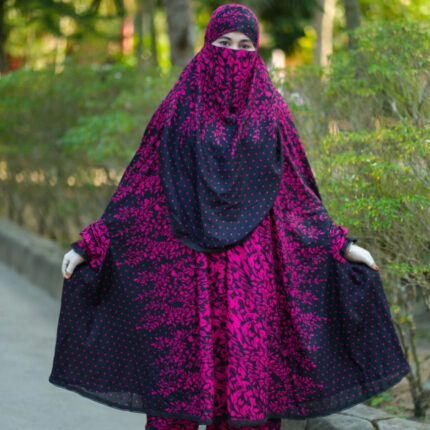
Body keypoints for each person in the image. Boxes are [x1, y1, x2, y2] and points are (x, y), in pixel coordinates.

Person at [49, 4, 410, 430]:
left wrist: (340, 245)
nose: (234, 54)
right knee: (176, 396)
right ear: (207, 46)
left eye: (245, 46)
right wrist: (93, 243)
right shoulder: (179, 109)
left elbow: (298, 193)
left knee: (247, 400)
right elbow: (142, 183)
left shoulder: (270, 113)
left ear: (256, 52)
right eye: (224, 43)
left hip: (251, 284)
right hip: (186, 277)